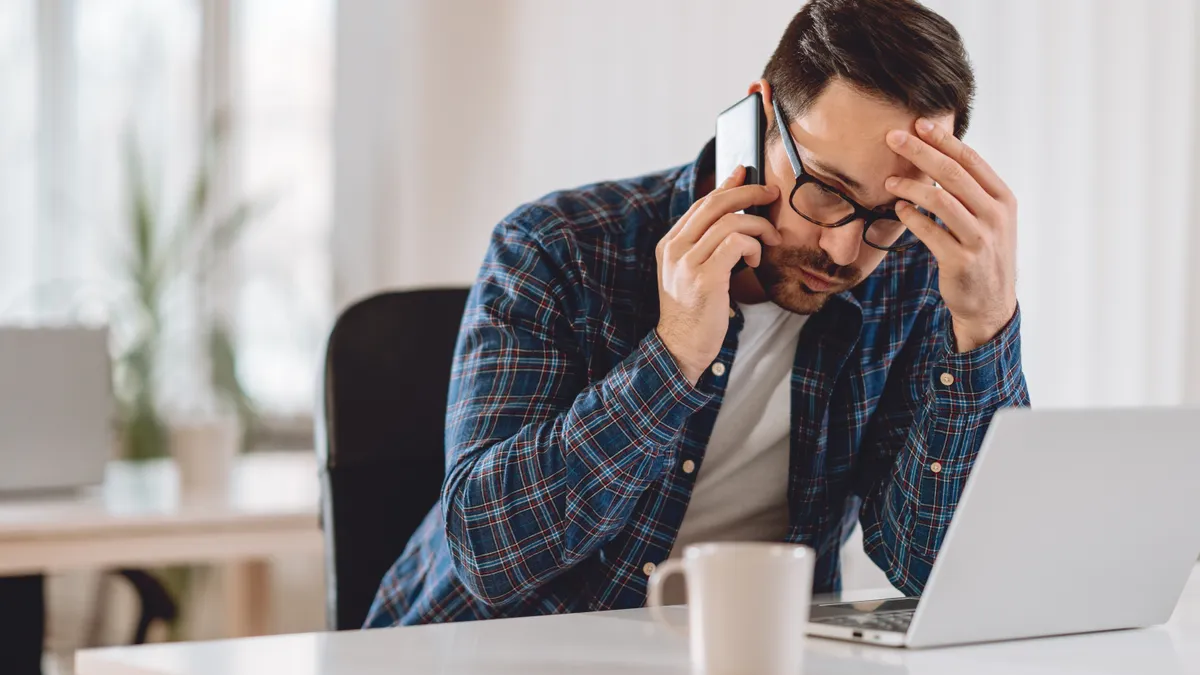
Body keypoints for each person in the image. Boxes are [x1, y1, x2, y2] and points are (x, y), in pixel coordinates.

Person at [365, 0, 1029, 627]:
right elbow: (489, 553)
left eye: (890, 213)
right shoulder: (560, 245)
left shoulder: (913, 280)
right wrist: (674, 352)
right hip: (481, 649)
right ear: (758, 118)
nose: (844, 247)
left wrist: (984, 332)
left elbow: (932, 566)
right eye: (826, 191)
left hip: (743, 650)